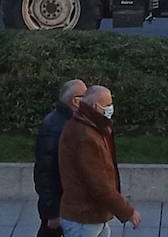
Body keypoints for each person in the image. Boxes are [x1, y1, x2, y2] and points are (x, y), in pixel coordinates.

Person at [58, 86, 140, 236]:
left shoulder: (89, 126)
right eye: (108, 104)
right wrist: (127, 211)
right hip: (84, 219)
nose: (111, 108)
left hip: (91, 217)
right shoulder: (85, 136)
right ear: (96, 106)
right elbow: (99, 183)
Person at [34, 78, 87, 235]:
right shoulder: (56, 128)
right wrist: (52, 212)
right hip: (60, 205)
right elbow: (45, 173)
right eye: (86, 94)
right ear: (76, 101)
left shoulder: (68, 121)